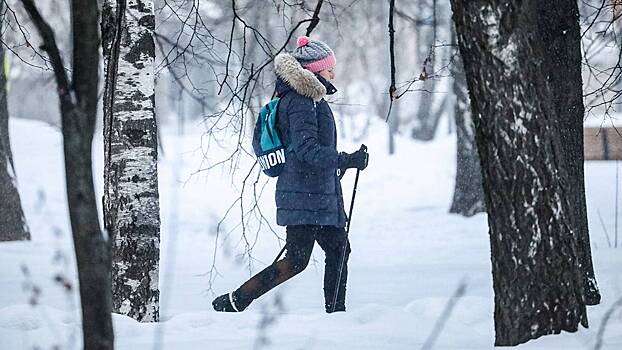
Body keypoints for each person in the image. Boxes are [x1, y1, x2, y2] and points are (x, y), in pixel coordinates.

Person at [212, 36, 369, 313]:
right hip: (305, 196)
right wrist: (346, 159)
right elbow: (307, 150)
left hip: (314, 194)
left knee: (337, 249)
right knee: (299, 259)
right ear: (313, 69)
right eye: (328, 67)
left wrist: (343, 162)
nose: (333, 72)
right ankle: (239, 299)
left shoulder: (310, 99)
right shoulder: (301, 101)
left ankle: (336, 312)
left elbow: (310, 149)